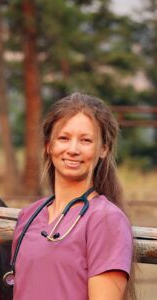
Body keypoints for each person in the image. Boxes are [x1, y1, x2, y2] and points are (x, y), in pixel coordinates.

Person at [8, 93, 136, 300]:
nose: (73, 149)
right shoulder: (28, 216)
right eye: (63, 138)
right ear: (48, 146)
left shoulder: (106, 220)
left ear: (104, 148)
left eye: (86, 140)